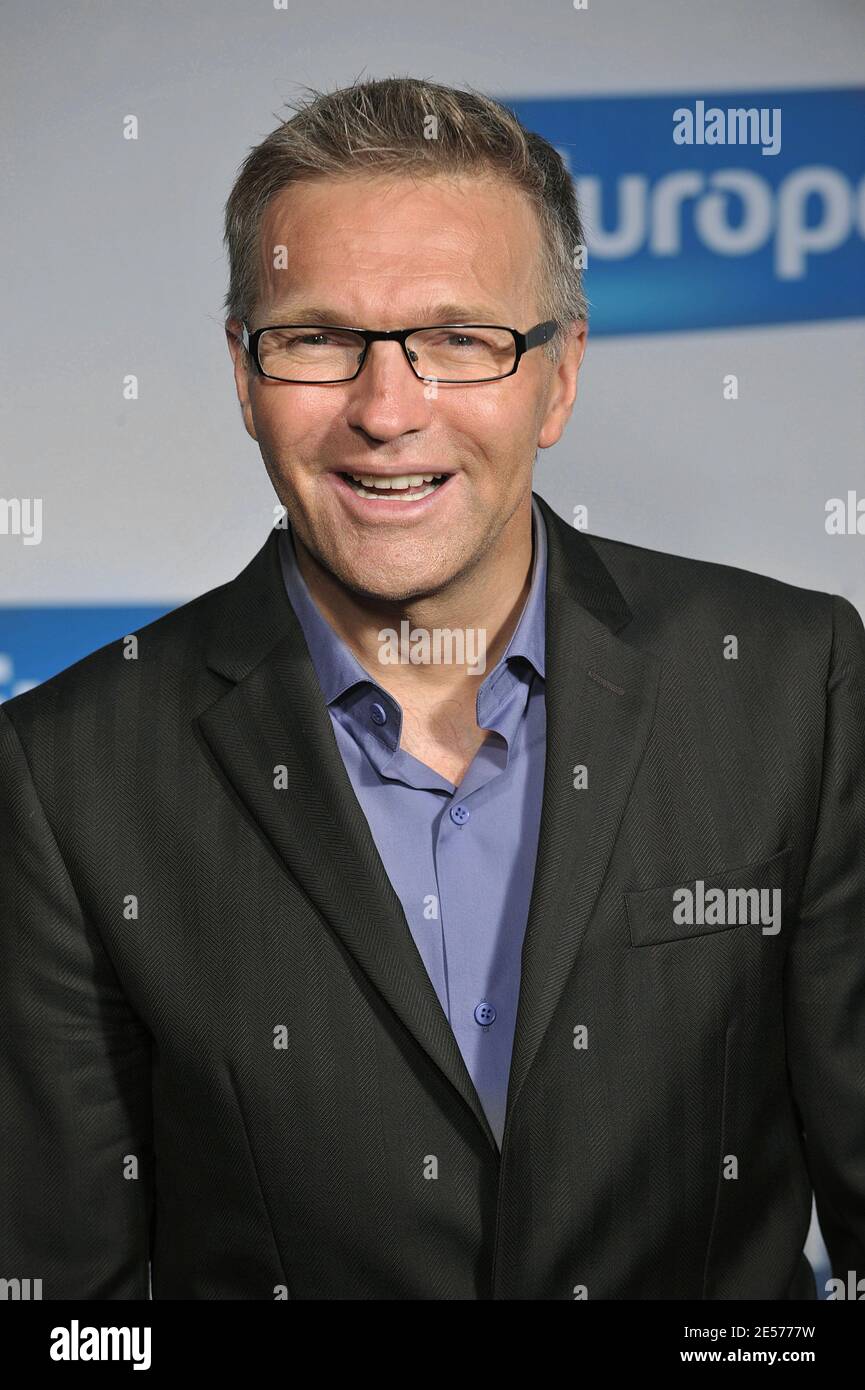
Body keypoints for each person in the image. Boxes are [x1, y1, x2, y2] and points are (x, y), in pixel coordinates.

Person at [1, 76, 863, 1301]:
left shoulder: (794, 685)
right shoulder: (65, 774)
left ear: (557, 379)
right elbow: (64, 1319)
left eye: (461, 340)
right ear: (245, 376)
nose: (386, 410)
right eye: (317, 339)